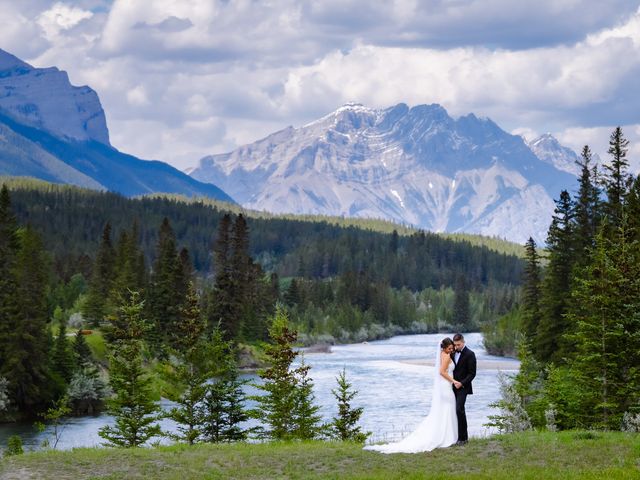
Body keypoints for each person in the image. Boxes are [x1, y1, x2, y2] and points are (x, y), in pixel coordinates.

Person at [363, 337, 458, 453]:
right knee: (447, 409)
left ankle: (447, 435)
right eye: (449, 348)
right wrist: (454, 381)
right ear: (444, 347)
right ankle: (447, 436)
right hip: (446, 386)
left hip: (444, 386)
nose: (451, 350)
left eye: (452, 348)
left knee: (445, 410)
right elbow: (442, 372)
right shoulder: (447, 356)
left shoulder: (442, 354)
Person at [451, 333, 476, 445]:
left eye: (458, 345)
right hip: (451, 386)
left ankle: (463, 438)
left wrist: (461, 383)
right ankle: (455, 436)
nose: (456, 347)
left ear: (463, 342)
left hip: (463, 387)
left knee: (459, 409)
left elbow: (472, 374)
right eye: (455, 345)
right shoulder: (452, 353)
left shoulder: (470, 354)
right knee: (452, 411)